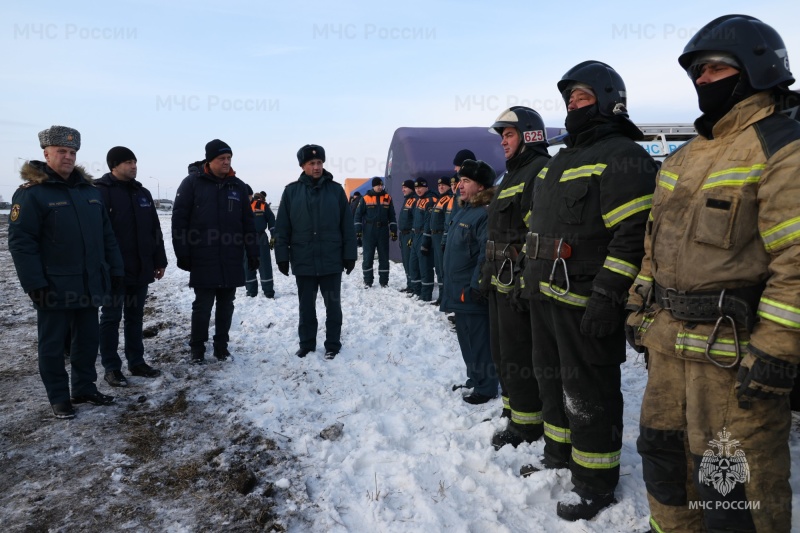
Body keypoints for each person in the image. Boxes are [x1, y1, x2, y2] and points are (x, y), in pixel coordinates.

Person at [625, 16, 800, 532]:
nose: (702, 81)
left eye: (714, 69)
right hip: (667, 349)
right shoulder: (684, 156)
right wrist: (638, 306)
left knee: (730, 489)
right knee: (663, 463)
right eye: (697, 73)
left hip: (732, 362)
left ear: (756, 68)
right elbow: (653, 247)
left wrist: (775, 353)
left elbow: (797, 264)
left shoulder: (783, 147)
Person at [520, 61, 657, 521]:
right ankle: (560, 454)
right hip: (544, 295)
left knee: (588, 391)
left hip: (584, 301)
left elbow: (633, 236)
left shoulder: (624, 155)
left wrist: (606, 296)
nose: (572, 106)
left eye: (581, 97)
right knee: (551, 380)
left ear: (607, 98)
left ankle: (596, 481)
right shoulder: (561, 160)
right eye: (568, 100)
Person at [8, 125, 124, 419]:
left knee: (87, 341)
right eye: (61, 151)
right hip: (54, 286)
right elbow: (22, 243)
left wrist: (116, 271)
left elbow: (107, 236)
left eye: (72, 152)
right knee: (52, 344)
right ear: (46, 154)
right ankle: (59, 397)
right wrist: (34, 283)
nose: (68, 157)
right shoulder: (33, 195)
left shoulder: (90, 192)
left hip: (89, 283)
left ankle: (84, 387)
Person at [481, 107, 550, 450]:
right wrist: (486, 275)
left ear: (529, 134)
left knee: (520, 355)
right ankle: (512, 413)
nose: (503, 143)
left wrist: (524, 283)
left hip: (517, 284)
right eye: (502, 137)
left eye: (509, 135)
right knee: (502, 353)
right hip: (499, 281)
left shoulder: (537, 171)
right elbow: (497, 232)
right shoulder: (509, 176)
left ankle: (527, 426)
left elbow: (535, 234)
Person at [172, 139, 259, 364]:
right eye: (221, 158)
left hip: (230, 256)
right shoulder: (192, 184)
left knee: (226, 305)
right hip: (203, 256)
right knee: (202, 305)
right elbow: (179, 220)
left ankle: (221, 346)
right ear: (209, 160)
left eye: (229, 158)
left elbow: (247, 222)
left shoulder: (238, 186)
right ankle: (197, 348)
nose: (226, 162)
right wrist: (182, 252)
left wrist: (253, 251)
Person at [274, 144, 357, 360]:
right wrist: (282, 256)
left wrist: (350, 254)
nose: (317, 166)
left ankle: (332, 344)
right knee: (306, 307)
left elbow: (347, 226)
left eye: (319, 162)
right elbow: (282, 227)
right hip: (304, 259)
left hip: (331, 259)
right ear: (302, 166)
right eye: (312, 163)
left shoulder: (336, 190)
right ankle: (307, 344)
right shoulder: (291, 192)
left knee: (333, 306)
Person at [95, 146, 167, 387]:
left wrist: (160, 260)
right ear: (113, 165)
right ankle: (112, 367)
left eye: (135, 161)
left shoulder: (143, 193)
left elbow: (154, 230)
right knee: (111, 318)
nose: (134, 166)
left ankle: (136, 361)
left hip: (140, 267)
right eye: (128, 162)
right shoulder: (100, 192)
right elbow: (95, 235)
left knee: (135, 318)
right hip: (114, 271)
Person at [440, 160, 498, 404]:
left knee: (478, 340)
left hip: (470, 290)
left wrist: (477, 286)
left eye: (466, 181)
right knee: (466, 338)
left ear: (481, 186)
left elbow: (487, 254)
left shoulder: (483, 213)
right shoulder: (464, 209)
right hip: (457, 288)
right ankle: (475, 379)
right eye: (459, 181)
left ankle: (486, 387)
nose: (459, 186)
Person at [354, 177, 397, 288]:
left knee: (384, 257)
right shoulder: (366, 198)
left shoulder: (387, 198)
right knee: (368, 256)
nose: (380, 187)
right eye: (378, 185)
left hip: (383, 230)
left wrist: (393, 230)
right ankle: (368, 281)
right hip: (369, 230)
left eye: (381, 185)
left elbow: (392, 215)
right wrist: (358, 230)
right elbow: (358, 215)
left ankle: (384, 281)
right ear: (373, 186)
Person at [407, 178, 438, 301]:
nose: (418, 190)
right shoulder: (419, 200)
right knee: (413, 265)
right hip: (415, 235)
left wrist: (426, 241)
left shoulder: (430, 200)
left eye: (420, 187)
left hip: (423, 236)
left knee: (425, 266)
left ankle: (426, 294)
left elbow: (428, 222)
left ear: (426, 187)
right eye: (416, 188)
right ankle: (416, 290)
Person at [246, 191, 276, 298]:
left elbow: (272, 220)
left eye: (248, 195)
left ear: (251, 195)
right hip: (245, 239)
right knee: (247, 265)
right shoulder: (237, 206)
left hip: (261, 237)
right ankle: (251, 291)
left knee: (264, 264)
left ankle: (268, 291)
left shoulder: (262, 205)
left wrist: (273, 236)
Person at [429, 177, 453, 305]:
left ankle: (446, 297)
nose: (441, 187)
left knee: (443, 268)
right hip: (435, 236)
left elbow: (447, 220)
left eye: (444, 185)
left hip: (441, 236)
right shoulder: (440, 199)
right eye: (439, 185)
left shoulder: (448, 199)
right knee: (438, 267)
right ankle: (441, 296)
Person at [397, 179, 417, 293]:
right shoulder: (407, 200)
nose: (403, 189)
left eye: (405, 187)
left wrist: (412, 236)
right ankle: (410, 284)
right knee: (406, 261)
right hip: (403, 235)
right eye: (402, 187)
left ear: (411, 188)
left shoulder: (414, 200)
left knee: (411, 261)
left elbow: (415, 219)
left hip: (410, 234)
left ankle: (414, 286)